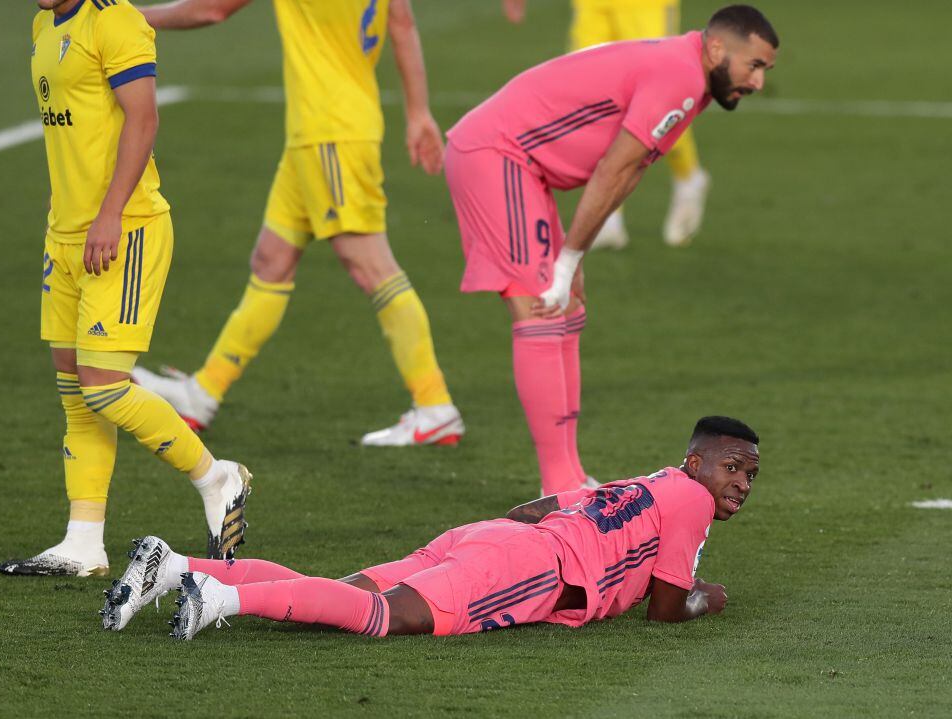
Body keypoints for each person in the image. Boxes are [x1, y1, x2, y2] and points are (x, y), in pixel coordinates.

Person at [444, 5, 777, 495]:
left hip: (523, 167)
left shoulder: (692, 78)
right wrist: (568, 258)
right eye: (755, 65)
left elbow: (632, 169)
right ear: (718, 49)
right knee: (539, 310)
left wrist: (571, 259)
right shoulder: (680, 75)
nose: (759, 81)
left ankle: (571, 475)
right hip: (498, 155)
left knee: (568, 308)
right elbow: (613, 170)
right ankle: (558, 486)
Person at [129, 0, 465, 447]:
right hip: (328, 129)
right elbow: (401, 21)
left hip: (329, 134)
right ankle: (203, 392)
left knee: (370, 265)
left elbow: (212, 10)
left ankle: (434, 404)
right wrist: (418, 111)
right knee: (271, 260)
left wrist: (129, 16)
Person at [100, 416, 758, 639]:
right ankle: (222, 597)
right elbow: (667, 608)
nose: (740, 484)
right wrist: (708, 596)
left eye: (750, 476)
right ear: (696, 461)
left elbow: (536, 505)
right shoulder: (691, 501)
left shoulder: (645, 484)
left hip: (491, 538)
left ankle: (181, 564)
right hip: (530, 567)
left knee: (329, 599)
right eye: (733, 467)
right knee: (382, 618)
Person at [0, 0, 251, 578]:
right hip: (64, 234)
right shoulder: (43, 26)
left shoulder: (114, 20)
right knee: (73, 388)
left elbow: (143, 120)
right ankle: (83, 541)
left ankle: (217, 478)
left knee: (104, 387)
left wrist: (110, 213)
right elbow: (72, 133)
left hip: (126, 229)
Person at [503, 0, 712, 249]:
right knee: (590, 98)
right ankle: (608, 218)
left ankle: (688, 177)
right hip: (592, 6)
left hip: (646, 6)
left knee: (661, 103)